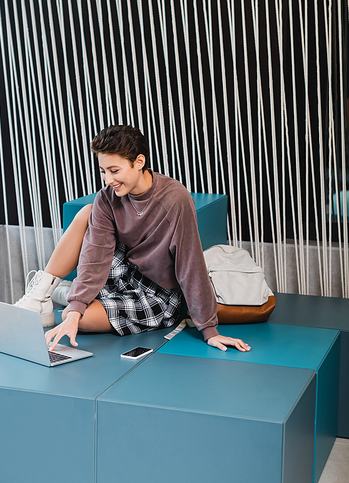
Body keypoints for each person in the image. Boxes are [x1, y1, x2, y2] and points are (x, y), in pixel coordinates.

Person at [15, 125, 250, 354]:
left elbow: (191, 265)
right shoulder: (107, 198)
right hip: (126, 270)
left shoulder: (175, 199)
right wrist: (76, 307)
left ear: (139, 162)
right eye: (103, 171)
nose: (108, 179)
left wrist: (210, 330)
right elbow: (95, 257)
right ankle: (42, 296)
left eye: (114, 171)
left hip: (157, 293)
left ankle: (67, 293)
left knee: (75, 318)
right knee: (87, 212)